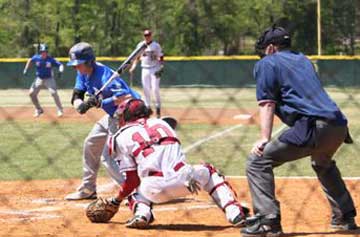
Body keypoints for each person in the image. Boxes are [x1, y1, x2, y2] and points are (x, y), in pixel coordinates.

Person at [241, 26, 357, 237]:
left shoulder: (267, 62)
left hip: (314, 126)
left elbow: (267, 103)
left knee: (258, 161)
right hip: (338, 126)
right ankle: (344, 217)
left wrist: (264, 139)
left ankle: (268, 222)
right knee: (322, 162)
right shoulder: (303, 59)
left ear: (271, 48)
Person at [98, 98, 249, 228]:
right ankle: (234, 213)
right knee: (209, 171)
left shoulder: (120, 137)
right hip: (187, 181)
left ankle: (142, 214)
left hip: (153, 189)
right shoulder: (163, 124)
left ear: (127, 116)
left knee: (135, 182)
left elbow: (131, 180)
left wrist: (115, 201)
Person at [64, 42, 141, 200]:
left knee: (109, 155)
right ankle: (88, 188)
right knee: (91, 143)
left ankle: (134, 192)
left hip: (127, 113)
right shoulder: (83, 73)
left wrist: (101, 103)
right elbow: (77, 94)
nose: (75, 68)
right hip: (112, 115)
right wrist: (81, 105)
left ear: (89, 62)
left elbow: (127, 97)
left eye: (78, 64)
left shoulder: (105, 75)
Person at [129, 29, 164, 118]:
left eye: (148, 35)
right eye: (145, 35)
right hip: (144, 68)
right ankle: (147, 107)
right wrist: (133, 66)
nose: (147, 37)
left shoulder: (156, 45)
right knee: (146, 89)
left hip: (154, 68)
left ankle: (158, 107)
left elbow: (161, 56)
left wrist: (161, 66)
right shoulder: (140, 45)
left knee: (155, 89)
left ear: (151, 36)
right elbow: (137, 57)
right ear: (143, 36)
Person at [23, 43, 64, 117]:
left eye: (45, 51)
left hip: (49, 78)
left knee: (53, 93)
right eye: (42, 51)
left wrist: (60, 71)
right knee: (31, 93)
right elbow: (30, 60)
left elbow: (60, 65)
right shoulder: (37, 57)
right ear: (40, 52)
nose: (43, 53)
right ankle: (38, 109)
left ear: (47, 52)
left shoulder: (50, 59)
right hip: (39, 78)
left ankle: (60, 110)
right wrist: (26, 69)